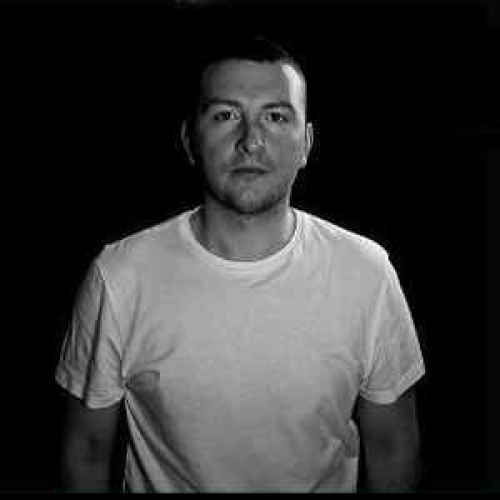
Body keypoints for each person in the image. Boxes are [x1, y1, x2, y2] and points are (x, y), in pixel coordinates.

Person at [55, 34, 425, 493]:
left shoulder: (367, 273)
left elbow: (393, 448)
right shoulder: (120, 275)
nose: (250, 141)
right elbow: (87, 451)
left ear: (306, 143)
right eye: (225, 115)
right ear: (190, 139)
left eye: (276, 116)